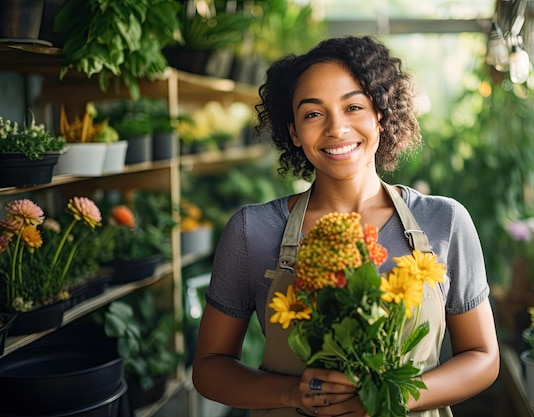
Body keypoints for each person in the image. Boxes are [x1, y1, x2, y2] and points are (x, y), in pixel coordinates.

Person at [193, 35, 500, 417]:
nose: (336, 129)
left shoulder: (444, 221)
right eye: (312, 113)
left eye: (353, 106)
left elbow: (483, 357)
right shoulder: (252, 230)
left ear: (381, 115)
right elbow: (209, 367)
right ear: (293, 132)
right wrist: (293, 395)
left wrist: (389, 397)